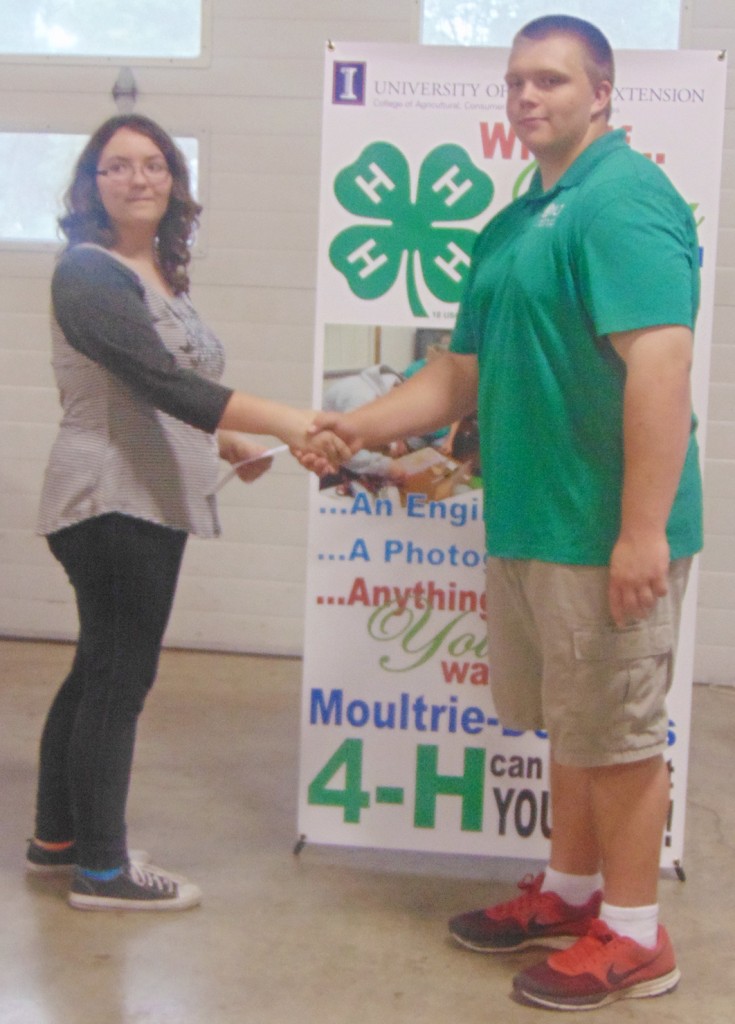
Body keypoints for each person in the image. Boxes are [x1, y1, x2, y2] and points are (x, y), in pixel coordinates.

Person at [306, 14, 702, 1010]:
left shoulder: (624, 199)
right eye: (518, 80)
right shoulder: (518, 220)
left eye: (554, 81)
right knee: (575, 726)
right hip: (529, 522)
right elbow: (454, 378)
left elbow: (661, 365)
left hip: (602, 529)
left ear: (603, 93)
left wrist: (641, 531)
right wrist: (350, 428)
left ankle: (638, 936)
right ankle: (572, 892)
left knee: (616, 733)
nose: (529, 97)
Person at [26, 113, 347, 912]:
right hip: (110, 496)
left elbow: (167, 391)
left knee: (97, 665)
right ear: (90, 183)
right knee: (119, 679)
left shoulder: (155, 273)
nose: (138, 179)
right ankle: (102, 872)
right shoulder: (89, 274)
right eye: (117, 166)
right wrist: (288, 420)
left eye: (154, 165)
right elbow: (160, 383)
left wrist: (235, 440)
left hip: (146, 494)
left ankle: (58, 838)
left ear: (174, 182)